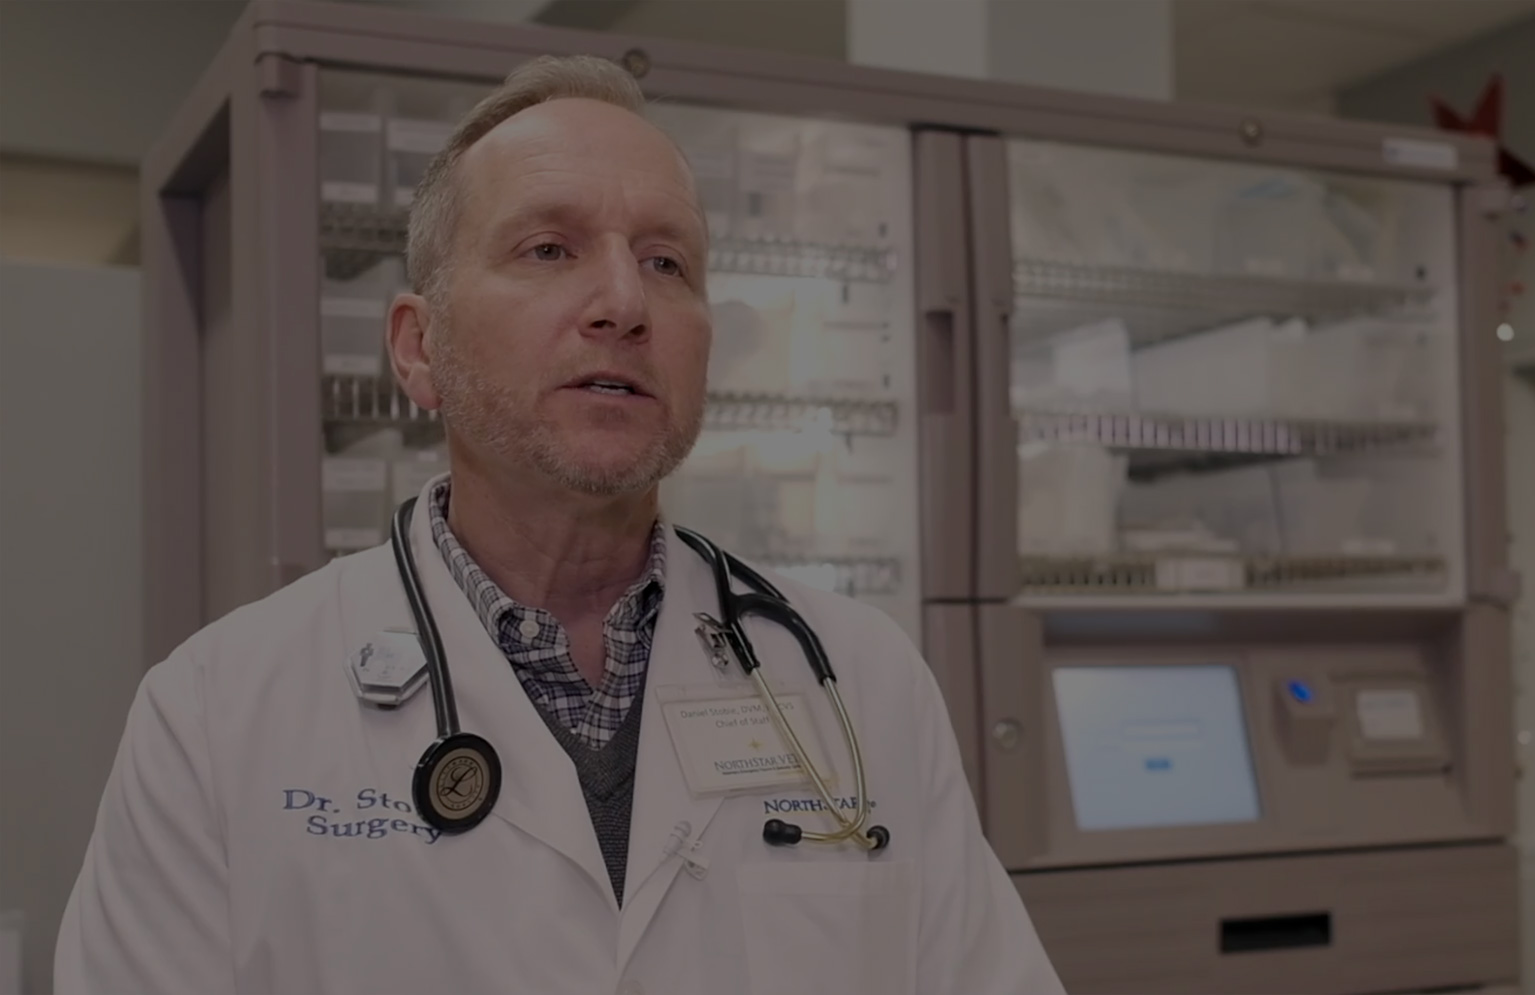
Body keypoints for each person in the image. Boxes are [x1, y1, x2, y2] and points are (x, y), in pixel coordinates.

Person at [54, 54, 1064, 995]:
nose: (624, 301)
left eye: (666, 262)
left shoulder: (863, 680)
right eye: (549, 248)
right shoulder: (215, 714)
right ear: (418, 349)